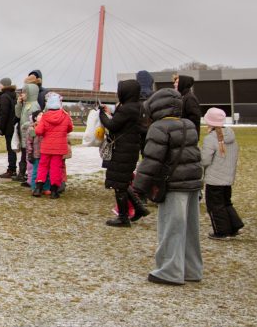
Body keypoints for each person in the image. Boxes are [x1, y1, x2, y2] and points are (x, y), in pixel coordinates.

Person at [132, 88, 203, 286]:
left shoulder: (159, 128)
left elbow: (152, 159)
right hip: (192, 182)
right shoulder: (188, 125)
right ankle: (192, 269)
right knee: (190, 229)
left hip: (173, 184)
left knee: (172, 227)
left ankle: (170, 270)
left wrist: (138, 186)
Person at [100, 79, 151, 227]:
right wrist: (110, 113)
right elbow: (123, 123)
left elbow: (112, 125)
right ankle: (139, 208)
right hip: (131, 149)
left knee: (119, 185)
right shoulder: (139, 107)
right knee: (123, 182)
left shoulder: (126, 108)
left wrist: (102, 115)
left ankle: (123, 218)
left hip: (122, 150)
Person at [200, 107, 243, 240]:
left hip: (214, 179)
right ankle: (234, 226)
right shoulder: (231, 136)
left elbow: (205, 160)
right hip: (227, 177)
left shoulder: (210, 139)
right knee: (226, 202)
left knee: (215, 206)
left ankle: (222, 231)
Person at [33, 92, 72, 198]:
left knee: (43, 166)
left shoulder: (45, 116)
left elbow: (39, 131)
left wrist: (36, 127)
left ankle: (38, 188)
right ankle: (54, 191)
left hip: (46, 147)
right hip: (59, 148)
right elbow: (70, 128)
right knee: (56, 168)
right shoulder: (65, 116)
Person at [15, 81, 40, 183]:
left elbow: (35, 122)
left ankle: (31, 178)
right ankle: (27, 176)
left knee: (29, 157)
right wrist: (18, 104)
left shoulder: (34, 106)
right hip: (25, 135)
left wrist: (25, 126)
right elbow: (18, 115)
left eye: (24, 92)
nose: (22, 94)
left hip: (30, 135)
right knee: (25, 156)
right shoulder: (26, 104)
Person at [0, 77, 18, 179]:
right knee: (12, 148)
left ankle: (11, 169)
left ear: (3, 85)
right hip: (13, 125)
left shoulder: (4, 97)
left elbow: (3, 113)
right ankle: (13, 168)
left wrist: (1, 127)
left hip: (8, 127)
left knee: (10, 148)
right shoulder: (13, 95)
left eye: (0, 84)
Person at [172, 74, 202, 140]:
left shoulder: (190, 98)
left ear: (183, 83)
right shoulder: (182, 97)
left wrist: (191, 135)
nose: (174, 84)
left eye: (176, 82)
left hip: (189, 136)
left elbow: (195, 118)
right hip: (184, 135)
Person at [25, 110, 42, 190]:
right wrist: (30, 152)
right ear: (35, 118)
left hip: (44, 153)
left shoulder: (46, 127)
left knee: (45, 171)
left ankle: (45, 187)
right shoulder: (32, 129)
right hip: (35, 153)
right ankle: (34, 186)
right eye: (40, 115)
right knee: (35, 170)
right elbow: (29, 141)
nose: (42, 116)